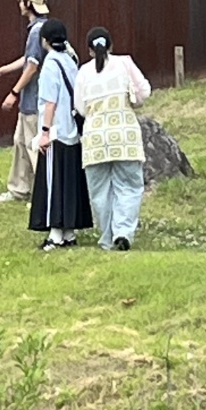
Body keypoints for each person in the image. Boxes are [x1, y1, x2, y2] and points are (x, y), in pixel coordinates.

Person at [73, 26, 152, 251]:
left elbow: (80, 108)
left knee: (99, 192)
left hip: (95, 139)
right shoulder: (125, 63)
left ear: (89, 50)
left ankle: (107, 237)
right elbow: (143, 92)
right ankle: (123, 231)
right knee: (129, 186)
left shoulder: (83, 72)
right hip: (124, 136)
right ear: (111, 46)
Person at [0, 0, 50, 204]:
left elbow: (32, 67)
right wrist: (1, 70)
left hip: (35, 100)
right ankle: (20, 189)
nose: (19, 4)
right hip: (29, 101)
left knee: (33, 146)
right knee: (20, 142)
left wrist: (13, 92)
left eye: (22, 0)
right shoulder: (41, 28)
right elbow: (27, 59)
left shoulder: (37, 31)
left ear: (28, 4)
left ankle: (43, 195)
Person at [29, 18, 92, 250]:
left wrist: (44, 132)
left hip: (56, 131)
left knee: (53, 181)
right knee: (70, 181)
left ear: (44, 40)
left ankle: (55, 234)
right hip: (72, 131)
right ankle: (69, 232)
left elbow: (50, 102)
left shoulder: (50, 64)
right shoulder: (71, 60)